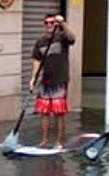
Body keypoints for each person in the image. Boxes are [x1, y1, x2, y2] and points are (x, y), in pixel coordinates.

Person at [29, 13, 76, 149]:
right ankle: (43, 142)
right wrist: (33, 79)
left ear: (55, 24)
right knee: (43, 112)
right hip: (45, 81)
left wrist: (62, 23)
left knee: (58, 112)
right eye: (47, 23)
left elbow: (72, 38)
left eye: (52, 22)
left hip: (60, 80)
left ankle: (58, 142)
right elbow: (36, 61)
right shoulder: (40, 42)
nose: (49, 25)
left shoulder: (62, 37)